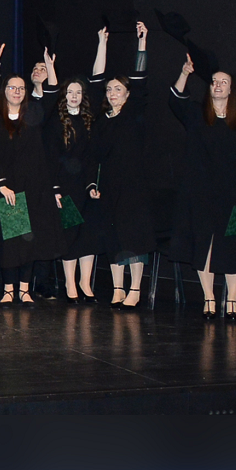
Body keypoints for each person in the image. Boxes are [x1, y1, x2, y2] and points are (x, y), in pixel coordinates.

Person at [168, 54, 236, 319]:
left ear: (232, 89)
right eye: (214, 81)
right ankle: (208, 297)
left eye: (224, 82)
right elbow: (175, 100)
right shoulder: (196, 115)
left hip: (235, 195)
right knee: (205, 245)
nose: (218, 85)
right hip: (200, 193)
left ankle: (231, 298)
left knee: (234, 247)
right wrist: (185, 73)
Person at [89, 23, 157, 307]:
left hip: (133, 186)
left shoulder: (134, 114)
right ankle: (118, 288)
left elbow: (140, 78)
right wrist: (102, 43)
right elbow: (96, 80)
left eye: (118, 88)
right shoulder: (102, 121)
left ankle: (135, 289)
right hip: (109, 185)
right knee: (113, 236)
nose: (112, 92)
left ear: (128, 94)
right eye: (110, 89)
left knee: (134, 237)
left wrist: (142, 43)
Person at [0, 71, 60, 305]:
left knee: (28, 240)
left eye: (21, 88)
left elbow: (51, 97)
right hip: (8, 189)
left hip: (33, 189)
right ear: (4, 91)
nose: (17, 92)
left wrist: (49, 70)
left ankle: (24, 289)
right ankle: (8, 289)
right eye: (13, 87)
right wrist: (1, 185)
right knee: (10, 243)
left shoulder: (33, 116)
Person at [47, 75, 102, 303]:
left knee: (87, 236)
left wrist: (92, 184)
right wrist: (55, 188)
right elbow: (52, 157)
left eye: (78, 92)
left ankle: (85, 284)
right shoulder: (56, 122)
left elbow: (92, 158)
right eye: (70, 92)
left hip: (85, 186)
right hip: (65, 186)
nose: (74, 96)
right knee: (69, 234)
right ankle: (70, 283)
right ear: (63, 95)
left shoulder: (90, 121)